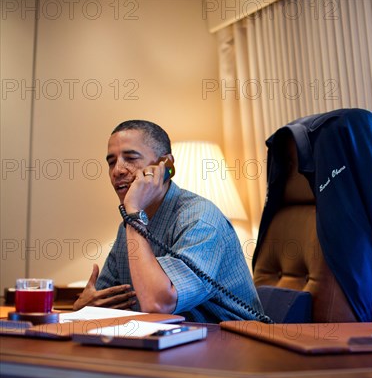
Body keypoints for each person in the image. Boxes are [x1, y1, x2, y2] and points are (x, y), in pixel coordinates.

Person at [73, 120, 264, 323]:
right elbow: (104, 302)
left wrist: (134, 212)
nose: (117, 170)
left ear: (165, 165)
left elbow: (157, 304)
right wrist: (83, 309)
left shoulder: (201, 219)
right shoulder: (129, 227)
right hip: (169, 344)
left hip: (233, 345)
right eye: (111, 162)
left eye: (130, 158)